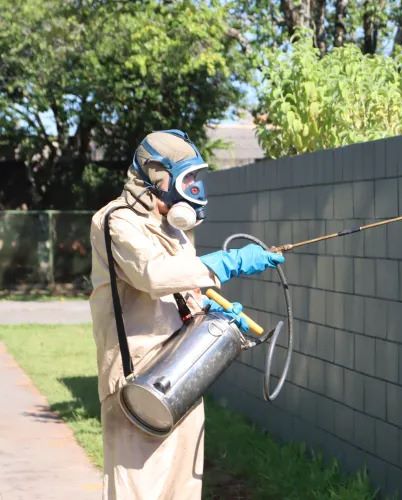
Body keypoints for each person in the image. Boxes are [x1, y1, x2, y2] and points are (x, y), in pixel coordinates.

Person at [89, 130, 283, 499]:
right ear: (156, 175)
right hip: (136, 381)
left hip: (181, 373)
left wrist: (209, 313)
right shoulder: (115, 221)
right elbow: (153, 275)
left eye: (196, 177)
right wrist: (225, 263)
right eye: (187, 177)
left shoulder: (173, 229)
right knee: (138, 489)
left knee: (181, 489)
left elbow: (183, 292)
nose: (194, 186)